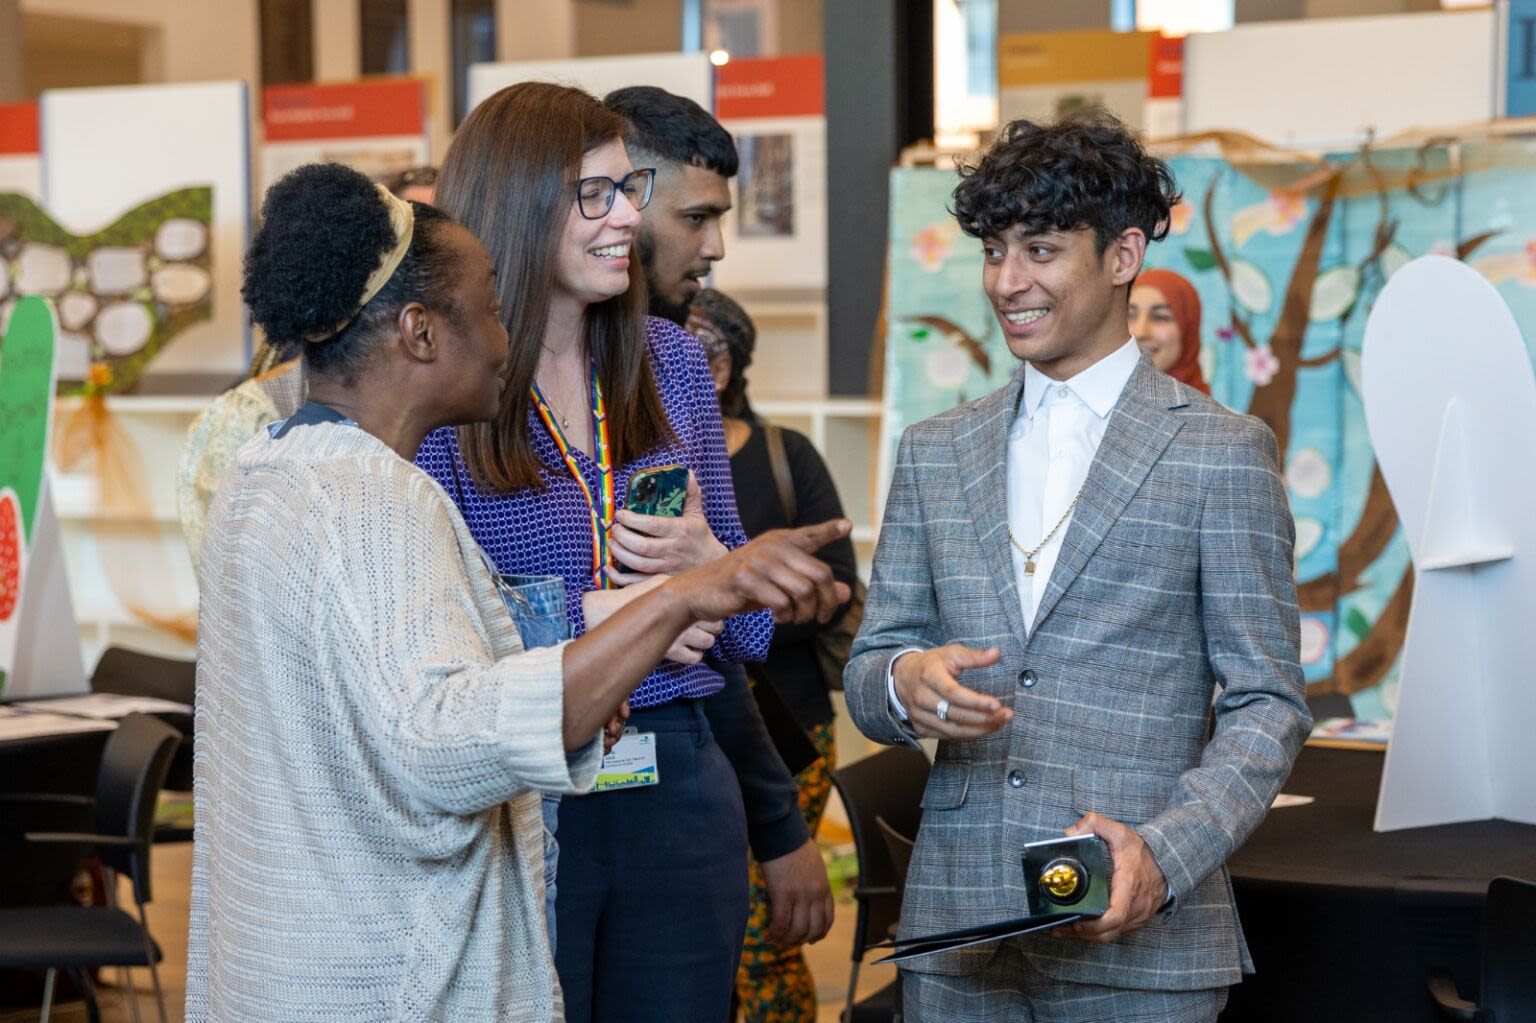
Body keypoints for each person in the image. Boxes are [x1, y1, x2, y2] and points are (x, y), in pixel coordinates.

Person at [188, 161, 850, 1022]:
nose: (506, 339)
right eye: (493, 307)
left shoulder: (265, 468)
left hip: (289, 955)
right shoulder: (377, 498)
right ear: (421, 331)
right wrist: (681, 598)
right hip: (382, 969)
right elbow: (447, 743)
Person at [844, 110, 1310, 1022]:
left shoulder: (1220, 451)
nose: (1007, 281)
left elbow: (1268, 702)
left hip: (1141, 943)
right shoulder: (936, 450)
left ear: (1124, 254)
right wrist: (905, 683)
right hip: (959, 936)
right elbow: (870, 666)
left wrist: (1163, 856)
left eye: (1042, 250)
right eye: (994, 250)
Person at [415, 82, 817, 1023]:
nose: (627, 218)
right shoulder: (451, 386)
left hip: (677, 773)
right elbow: (438, 622)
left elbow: (747, 638)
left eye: (628, 190)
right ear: (518, 204)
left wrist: (716, 560)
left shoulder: (672, 363)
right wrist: (636, 612)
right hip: (525, 777)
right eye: (595, 194)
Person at [605, 81, 836, 970]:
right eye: (698, 217)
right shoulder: (493, 382)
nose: (717, 247)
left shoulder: (672, 367)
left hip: (676, 781)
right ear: (621, 195)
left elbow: (722, 636)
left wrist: (775, 822)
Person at [687, 288, 857, 1022]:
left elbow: (839, 583)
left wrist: (724, 600)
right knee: (707, 927)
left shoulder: (786, 455)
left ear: (722, 366)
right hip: (691, 727)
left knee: (765, 931)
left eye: (692, 348)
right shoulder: (653, 460)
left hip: (791, 724)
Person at [1129, 266, 1209, 393]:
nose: (1139, 332)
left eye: (1160, 317)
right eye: (1129, 315)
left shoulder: (1213, 413)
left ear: (1188, 331)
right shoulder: (1094, 408)